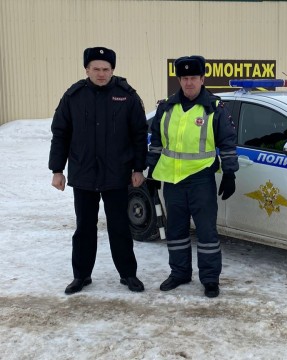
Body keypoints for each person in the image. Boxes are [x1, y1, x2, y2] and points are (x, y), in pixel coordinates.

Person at [49, 46, 148, 295]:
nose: (101, 74)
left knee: (119, 227)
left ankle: (128, 274)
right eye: (96, 69)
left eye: (106, 69)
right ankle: (81, 276)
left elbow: (138, 135)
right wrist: (57, 169)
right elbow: (60, 134)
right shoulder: (73, 96)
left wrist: (138, 168)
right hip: (84, 176)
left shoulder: (127, 96)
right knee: (84, 228)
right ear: (87, 70)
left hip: (117, 175)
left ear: (113, 70)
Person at [148, 55, 239, 298]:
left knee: (206, 233)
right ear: (179, 79)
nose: (189, 83)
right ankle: (179, 273)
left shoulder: (214, 107)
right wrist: (152, 170)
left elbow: (228, 143)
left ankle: (210, 279)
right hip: (173, 181)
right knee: (176, 231)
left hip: (201, 179)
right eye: (184, 78)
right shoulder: (166, 107)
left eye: (193, 78)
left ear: (202, 79)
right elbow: (157, 142)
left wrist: (230, 172)